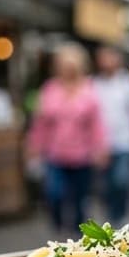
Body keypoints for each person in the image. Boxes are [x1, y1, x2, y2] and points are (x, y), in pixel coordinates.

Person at [26, 43, 107, 236]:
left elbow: (96, 124)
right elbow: (41, 122)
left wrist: (100, 148)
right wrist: (34, 146)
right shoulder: (50, 89)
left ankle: (78, 239)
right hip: (56, 154)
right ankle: (58, 226)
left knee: (80, 200)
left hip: (82, 155)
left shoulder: (89, 90)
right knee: (54, 194)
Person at [91, 47, 129, 224]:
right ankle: (111, 216)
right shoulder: (93, 84)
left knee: (122, 181)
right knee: (105, 186)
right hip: (102, 144)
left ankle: (120, 215)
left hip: (125, 142)